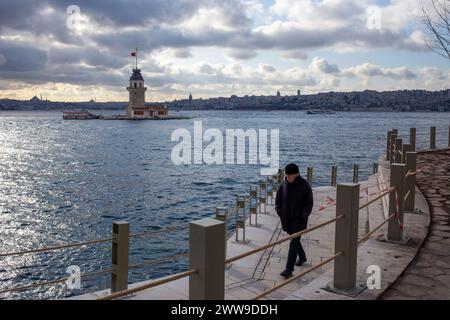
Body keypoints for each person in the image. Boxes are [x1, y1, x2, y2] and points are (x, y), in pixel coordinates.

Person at [275, 163, 314, 279]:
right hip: (286, 220)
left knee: (293, 241)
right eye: (286, 176)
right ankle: (302, 257)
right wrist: (279, 212)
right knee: (295, 239)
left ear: (296, 174)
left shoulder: (305, 185)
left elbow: (309, 203)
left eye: (290, 175)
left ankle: (288, 269)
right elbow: (278, 202)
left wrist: (304, 215)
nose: (288, 177)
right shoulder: (283, 185)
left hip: (299, 221)